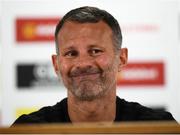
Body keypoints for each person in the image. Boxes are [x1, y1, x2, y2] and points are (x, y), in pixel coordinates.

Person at [12, 6, 176, 125]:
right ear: (56, 64)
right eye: (71, 53)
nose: (82, 63)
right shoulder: (28, 129)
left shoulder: (158, 127)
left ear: (122, 58)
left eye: (95, 51)